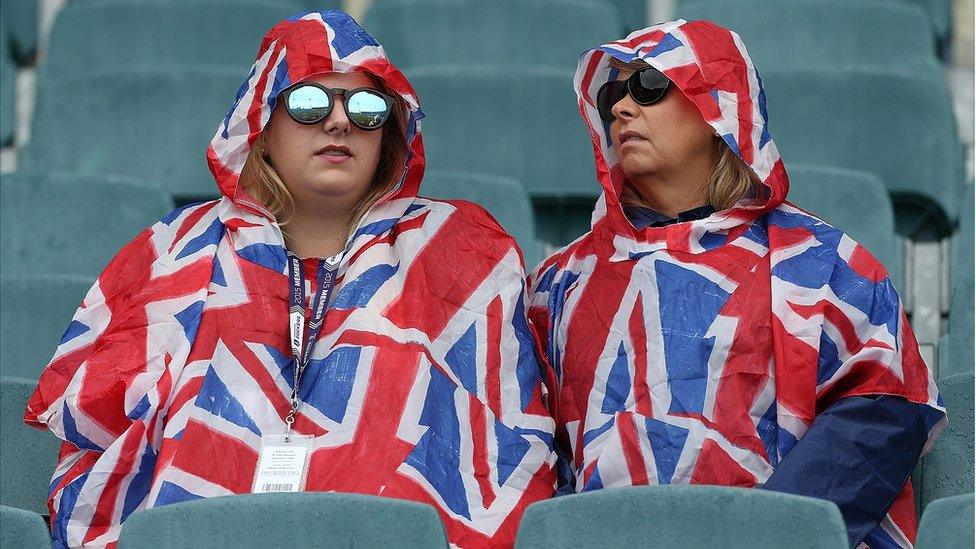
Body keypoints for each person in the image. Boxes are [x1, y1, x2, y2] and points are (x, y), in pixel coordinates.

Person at [25, 11, 555, 548]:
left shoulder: (460, 251)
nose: (340, 122)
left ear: (389, 132)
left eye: (368, 109)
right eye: (308, 102)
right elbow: (99, 440)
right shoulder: (171, 252)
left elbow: (506, 444)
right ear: (262, 125)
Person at [527, 19, 945, 549]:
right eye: (613, 92)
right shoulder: (561, 281)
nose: (621, 108)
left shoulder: (821, 263)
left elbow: (882, 410)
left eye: (649, 86)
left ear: (717, 106)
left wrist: (760, 533)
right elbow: (522, 446)